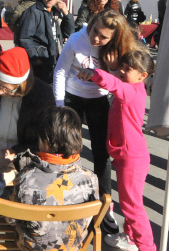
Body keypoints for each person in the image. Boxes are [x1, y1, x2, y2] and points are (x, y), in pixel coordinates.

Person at [53, 9, 142, 236]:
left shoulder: (117, 49)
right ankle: (62, 197)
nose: (96, 39)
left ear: (113, 38)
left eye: (103, 37)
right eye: (94, 31)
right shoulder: (76, 39)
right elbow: (60, 71)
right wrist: (60, 104)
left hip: (98, 100)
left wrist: (112, 68)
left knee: (102, 154)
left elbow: (124, 82)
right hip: (72, 97)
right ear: (91, 24)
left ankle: (105, 207)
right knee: (66, 149)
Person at [79, 50, 157, 251]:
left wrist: (94, 73)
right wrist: (112, 70)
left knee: (132, 206)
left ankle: (147, 246)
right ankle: (131, 237)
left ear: (142, 76)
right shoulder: (134, 87)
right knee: (130, 201)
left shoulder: (131, 92)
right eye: (122, 66)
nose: (122, 71)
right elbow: (117, 81)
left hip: (131, 158)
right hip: (129, 155)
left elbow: (113, 84)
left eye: (128, 69)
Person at [8, 106, 100, 251]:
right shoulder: (90, 179)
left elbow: (11, 219)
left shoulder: (27, 179)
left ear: (45, 142)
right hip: (72, 246)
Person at [15, 0, 74, 84]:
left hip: (54, 60)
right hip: (40, 61)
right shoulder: (33, 12)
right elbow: (24, 38)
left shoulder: (56, 12)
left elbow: (69, 33)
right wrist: (35, 57)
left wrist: (67, 13)